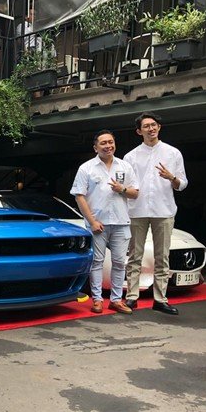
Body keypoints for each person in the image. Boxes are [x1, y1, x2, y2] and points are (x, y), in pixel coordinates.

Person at [123, 112, 188, 315]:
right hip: (137, 210)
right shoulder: (130, 157)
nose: (151, 128)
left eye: (154, 125)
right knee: (135, 256)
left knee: (162, 257)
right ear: (139, 131)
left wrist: (171, 177)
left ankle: (160, 299)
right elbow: (126, 186)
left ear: (159, 127)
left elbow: (182, 184)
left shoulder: (173, 153)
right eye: (146, 126)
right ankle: (132, 297)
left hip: (163, 209)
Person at [70, 130, 139, 314]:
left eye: (110, 142)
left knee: (119, 262)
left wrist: (122, 189)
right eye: (103, 143)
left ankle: (116, 300)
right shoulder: (86, 168)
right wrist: (92, 221)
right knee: (97, 262)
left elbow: (135, 193)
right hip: (97, 223)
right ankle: (97, 299)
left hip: (121, 221)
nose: (108, 146)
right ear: (95, 148)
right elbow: (79, 196)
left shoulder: (125, 166)